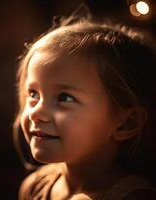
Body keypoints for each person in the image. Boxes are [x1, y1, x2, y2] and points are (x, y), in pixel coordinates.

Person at [13, 17, 156, 199]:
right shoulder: (34, 188)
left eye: (64, 98)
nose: (35, 113)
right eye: (33, 94)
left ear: (126, 123)